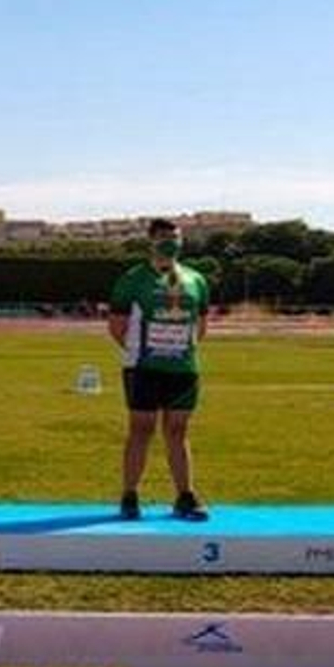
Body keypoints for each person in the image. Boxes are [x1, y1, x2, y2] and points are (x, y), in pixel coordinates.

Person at [108, 218, 210, 521]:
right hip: (143, 367)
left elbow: (201, 326)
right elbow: (116, 326)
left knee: (178, 431)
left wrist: (178, 349)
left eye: (176, 237)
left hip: (183, 368)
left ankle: (185, 496)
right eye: (165, 237)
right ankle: (129, 495)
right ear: (151, 241)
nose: (171, 242)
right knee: (141, 430)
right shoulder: (133, 279)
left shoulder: (195, 280)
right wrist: (140, 352)